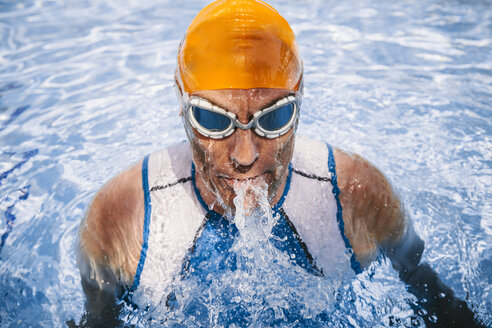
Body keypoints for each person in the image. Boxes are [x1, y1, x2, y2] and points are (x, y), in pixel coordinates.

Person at [76, 0, 484, 327]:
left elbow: (430, 292)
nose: (245, 155)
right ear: (181, 104)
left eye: (273, 118)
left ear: (300, 100)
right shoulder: (121, 217)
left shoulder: (357, 194)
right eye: (214, 120)